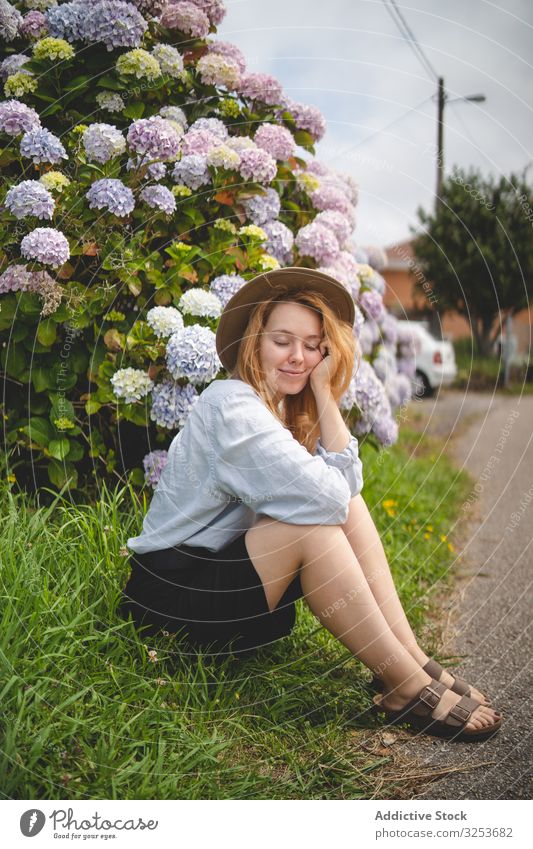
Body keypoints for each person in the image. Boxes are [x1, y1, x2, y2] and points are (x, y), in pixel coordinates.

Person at [121, 268, 502, 741]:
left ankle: (410, 658)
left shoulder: (271, 405)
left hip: (215, 578)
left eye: (313, 344)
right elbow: (328, 497)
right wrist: (321, 410)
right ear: (255, 341)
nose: (299, 357)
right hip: (170, 601)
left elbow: (349, 489)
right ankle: (404, 687)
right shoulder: (232, 407)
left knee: (348, 506)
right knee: (315, 529)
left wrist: (323, 393)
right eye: (283, 341)